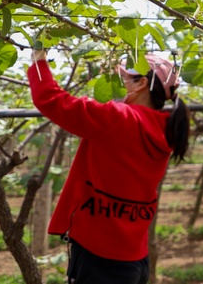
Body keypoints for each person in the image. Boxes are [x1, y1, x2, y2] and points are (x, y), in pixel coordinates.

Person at [28, 50, 191, 284]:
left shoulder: (118, 117)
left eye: (122, 78)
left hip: (101, 257)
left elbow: (50, 99)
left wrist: (38, 62)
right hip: (134, 256)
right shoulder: (165, 128)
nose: (116, 84)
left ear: (141, 84)